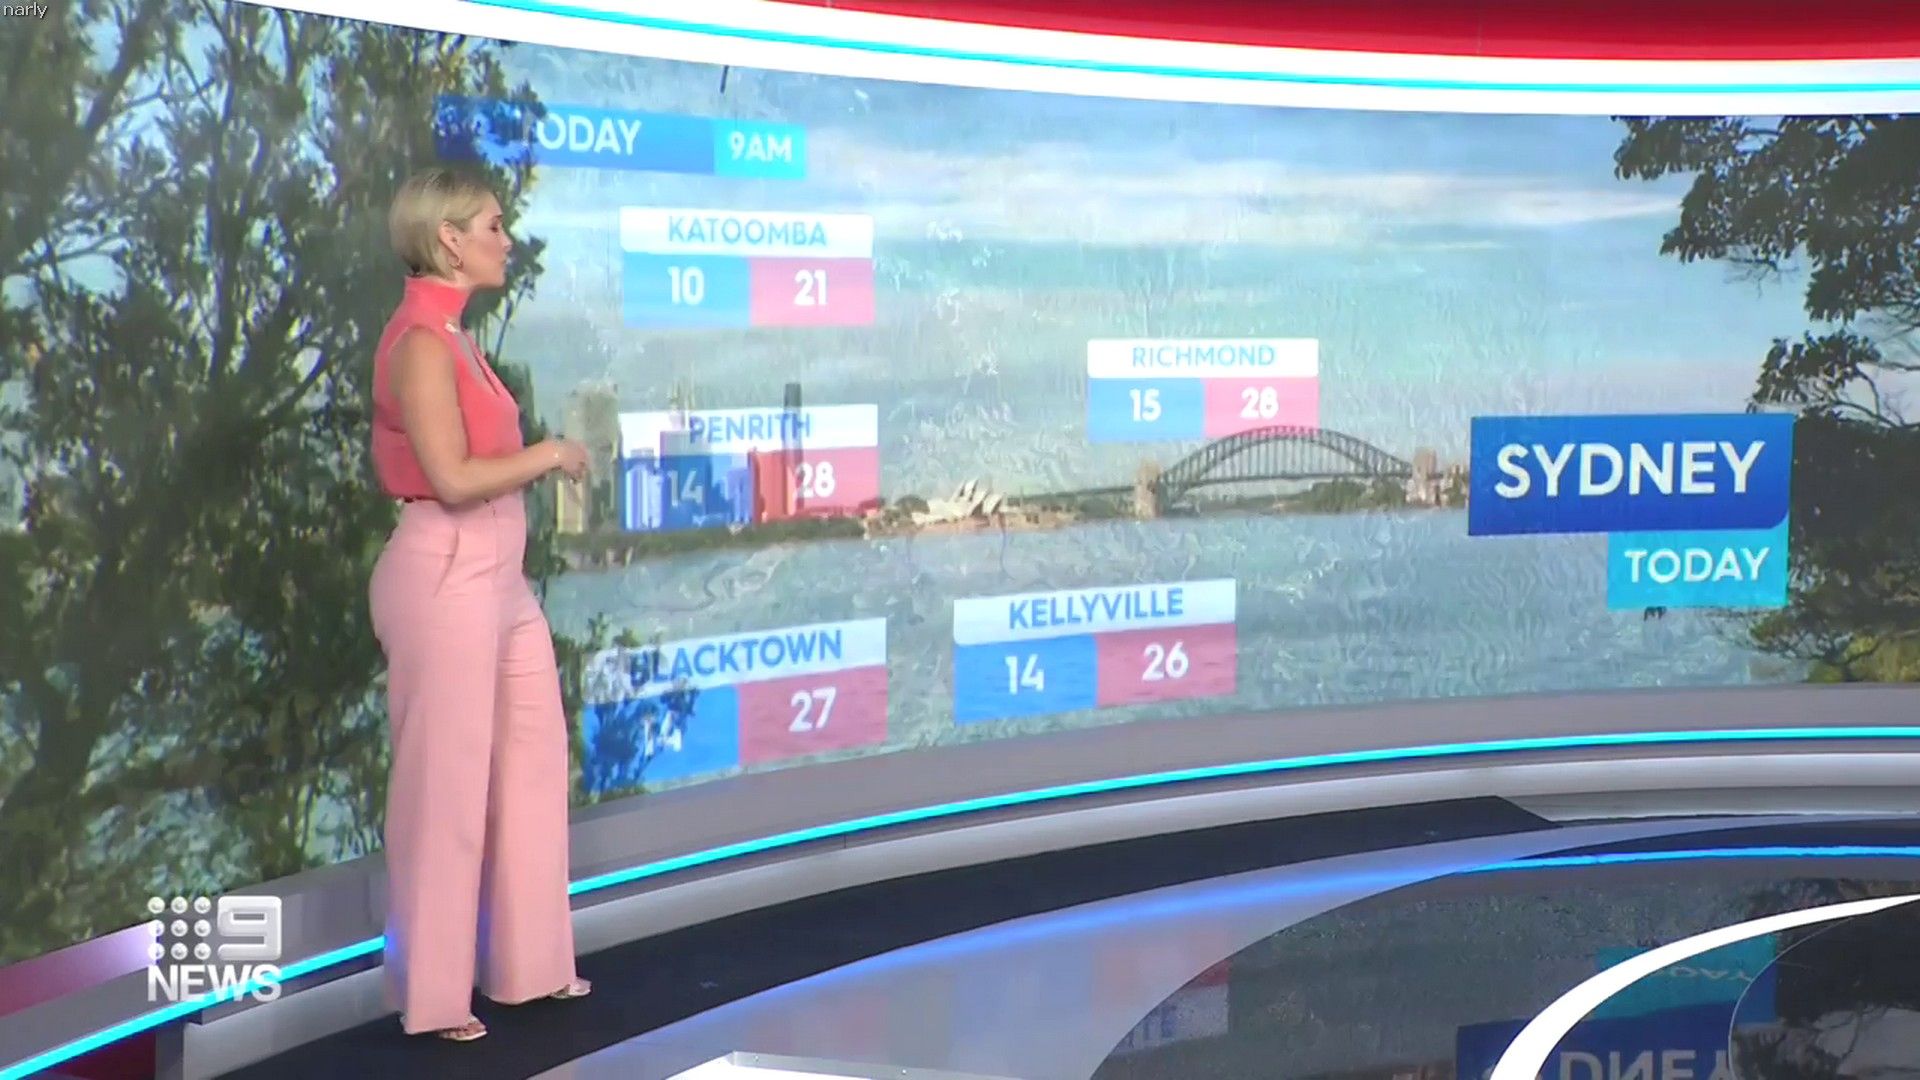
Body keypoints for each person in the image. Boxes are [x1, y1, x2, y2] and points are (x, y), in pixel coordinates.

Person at [366, 166, 593, 1042]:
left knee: (530, 761)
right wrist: (550, 455)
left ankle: (530, 965)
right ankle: (434, 1000)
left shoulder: (458, 337)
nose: (508, 240)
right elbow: (455, 478)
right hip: (445, 574)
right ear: (449, 240)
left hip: (501, 580)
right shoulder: (421, 344)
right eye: (494, 226)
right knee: (446, 789)